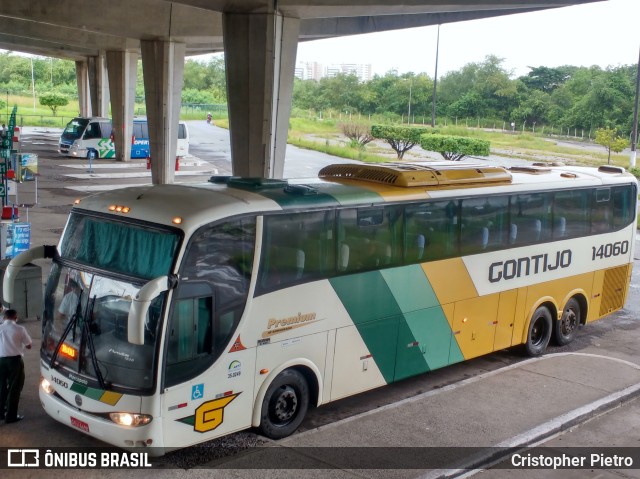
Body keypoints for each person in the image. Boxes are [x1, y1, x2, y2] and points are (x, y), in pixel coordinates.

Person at [0, 309, 32, 423]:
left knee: (1, 387)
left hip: (1, 361)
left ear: (4, 318)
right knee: (15, 388)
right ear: (15, 317)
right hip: (15, 361)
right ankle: (11, 416)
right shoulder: (20, 329)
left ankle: (1, 413)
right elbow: (29, 345)